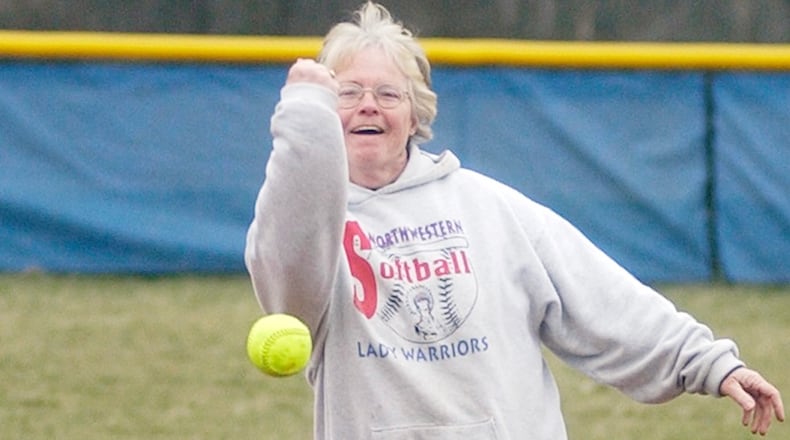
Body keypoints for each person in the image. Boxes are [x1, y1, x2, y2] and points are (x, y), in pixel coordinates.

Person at [244, 2, 784, 438]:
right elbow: (287, 281)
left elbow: (599, 296)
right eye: (347, 93)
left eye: (389, 94)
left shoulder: (489, 207)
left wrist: (710, 363)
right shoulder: (312, 233)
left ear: (415, 114)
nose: (368, 106)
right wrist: (303, 120)